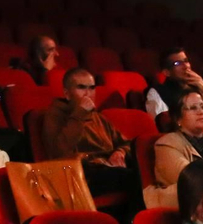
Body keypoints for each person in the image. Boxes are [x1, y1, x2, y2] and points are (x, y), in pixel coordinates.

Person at [34, 68, 140, 201]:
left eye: (92, 88)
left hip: (108, 168)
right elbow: (59, 152)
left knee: (145, 171)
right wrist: (79, 114)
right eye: (81, 88)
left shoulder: (99, 118)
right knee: (134, 178)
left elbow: (127, 143)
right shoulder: (55, 115)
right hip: (81, 174)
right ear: (67, 94)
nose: (88, 94)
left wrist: (120, 152)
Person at [145, 46, 203, 120]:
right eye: (178, 63)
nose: (186, 66)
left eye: (186, 61)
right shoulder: (157, 92)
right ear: (166, 72)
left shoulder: (198, 87)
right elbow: (163, 124)